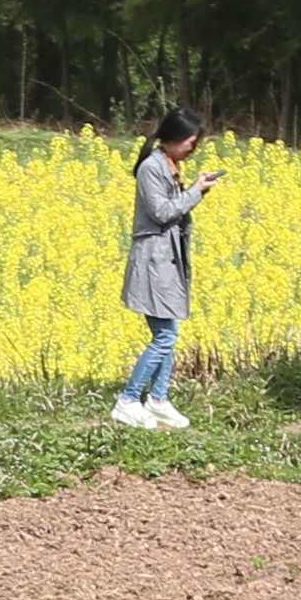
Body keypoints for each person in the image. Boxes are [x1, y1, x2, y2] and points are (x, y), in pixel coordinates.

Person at [111, 110, 207, 431]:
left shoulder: (170, 166)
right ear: (172, 138)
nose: (192, 149)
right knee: (165, 336)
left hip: (167, 259)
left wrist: (193, 189)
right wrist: (195, 192)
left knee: (167, 332)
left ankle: (159, 400)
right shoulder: (151, 168)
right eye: (190, 143)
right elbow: (162, 212)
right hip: (153, 260)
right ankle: (128, 399)